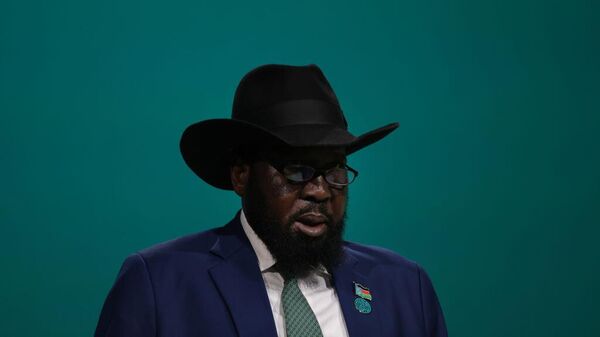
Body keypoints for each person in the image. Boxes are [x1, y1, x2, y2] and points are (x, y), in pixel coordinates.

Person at [94, 64, 448, 337]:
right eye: (297, 170)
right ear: (241, 175)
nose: (320, 191)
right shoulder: (159, 284)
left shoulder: (403, 286)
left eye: (336, 170)